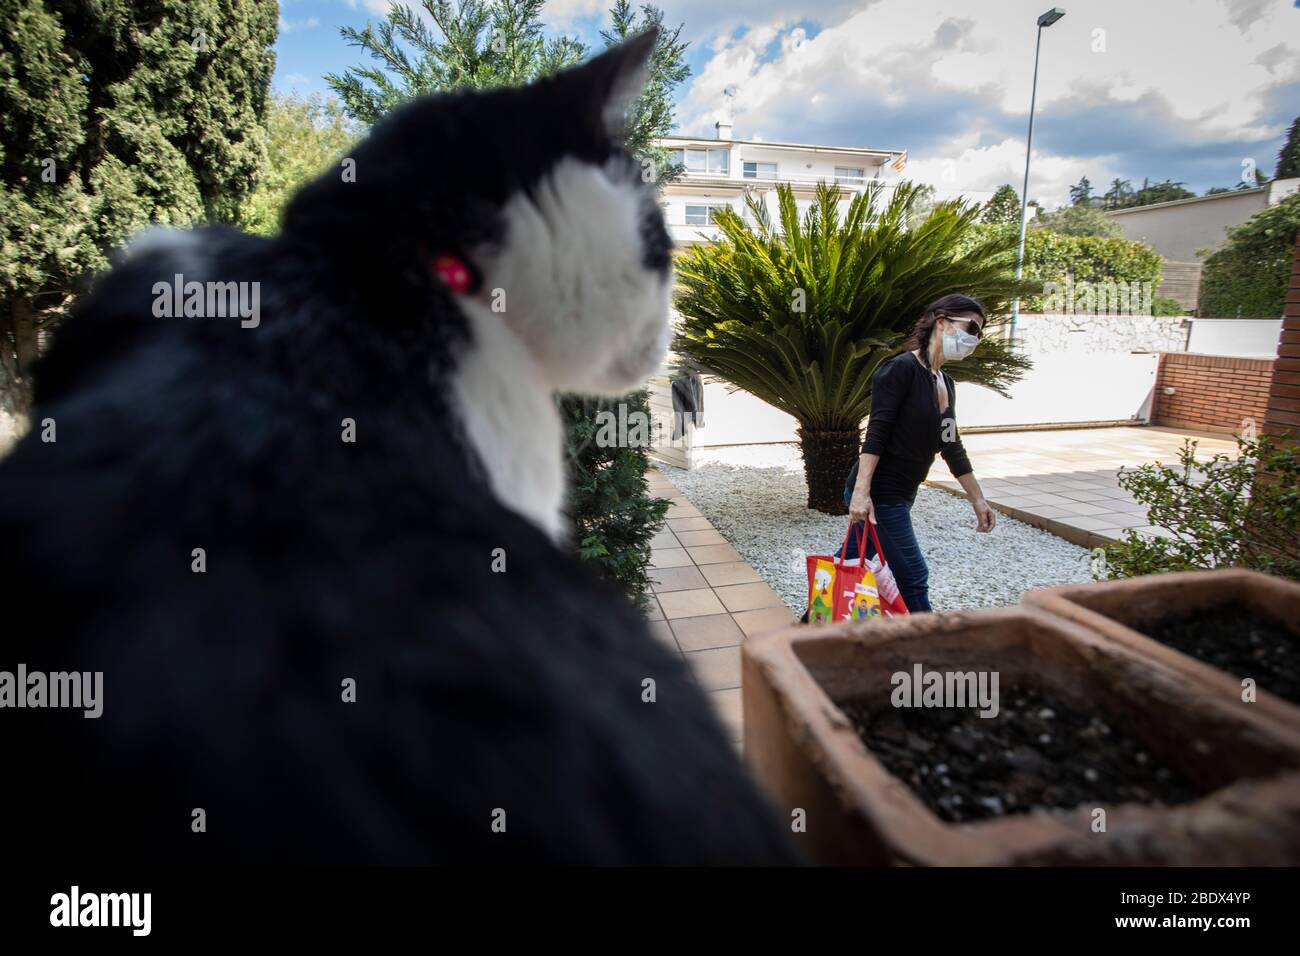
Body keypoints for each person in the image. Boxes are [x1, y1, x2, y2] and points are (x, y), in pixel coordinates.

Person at [840, 294, 996, 613]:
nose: (974, 338)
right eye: (970, 328)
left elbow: (951, 445)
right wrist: (861, 492)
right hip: (880, 496)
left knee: (847, 569)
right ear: (941, 322)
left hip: (901, 494)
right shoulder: (900, 369)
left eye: (979, 333)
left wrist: (978, 499)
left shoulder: (945, 383)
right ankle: (926, 653)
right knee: (912, 576)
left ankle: (805, 634)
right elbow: (877, 433)